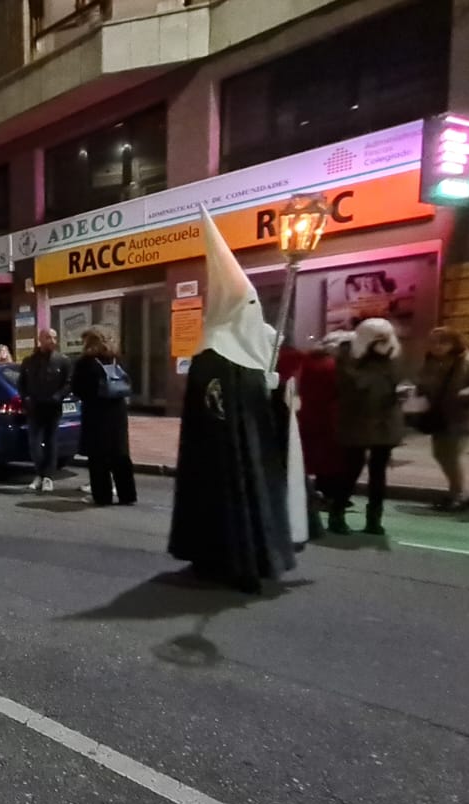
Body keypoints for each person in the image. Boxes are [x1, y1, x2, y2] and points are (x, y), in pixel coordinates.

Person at [168, 207, 300, 593]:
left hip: (250, 452)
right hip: (223, 458)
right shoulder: (212, 355)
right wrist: (260, 389)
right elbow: (220, 411)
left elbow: (255, 409)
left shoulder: (240, 352)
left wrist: (273, 388)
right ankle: (230, 562)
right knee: (229, 504)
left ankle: (249, 557)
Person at [329, 319, 406, 536]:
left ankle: (374, 520)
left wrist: (401, 389)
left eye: (385, 337)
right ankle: (337, 514)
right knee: (351, 469)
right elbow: (353, 386)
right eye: (377, 338)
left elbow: (398, 379)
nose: (382, 342)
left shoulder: (393, 355)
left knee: (378, 472)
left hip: (385, 419)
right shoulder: (348, 355)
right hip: (357, 419)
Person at [415, 326, 469, 511]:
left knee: (450, 455)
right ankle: (458, 493)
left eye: (442, 342)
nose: (436, 346)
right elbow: (423, 383)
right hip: (440, 415)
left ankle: (460, 494)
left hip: (464, 415)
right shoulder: (431, 361)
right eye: (433, 342)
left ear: (453, 343)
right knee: (440, 454)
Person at [278, 332, 348, 538]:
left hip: (309, 414)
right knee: (329, 457)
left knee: (314, 457)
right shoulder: (331, 365)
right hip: (328, 416)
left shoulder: (308, 361)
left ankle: (320, 492)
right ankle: (326, 495)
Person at [70, 328, 138, 507]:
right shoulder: (117, 359)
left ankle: (102, 496)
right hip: (118, 412)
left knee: (98, 457)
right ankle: (127, 494)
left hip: (97, 414)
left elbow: (77, 388)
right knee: (120, 454)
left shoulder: (86, 362)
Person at [16, 328, 73, 492]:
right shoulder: (29, 361)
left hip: (53, 407)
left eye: (54, 338)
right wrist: (26, 397)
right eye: (48, 338)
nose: (52, 341)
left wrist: (59, 395)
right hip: (35, 407)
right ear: (40, 339)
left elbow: (68, 383)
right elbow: (22, 383)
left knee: (51, 442)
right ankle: (40, 473)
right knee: (34, 443)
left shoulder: (62, 361)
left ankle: (48, 476)